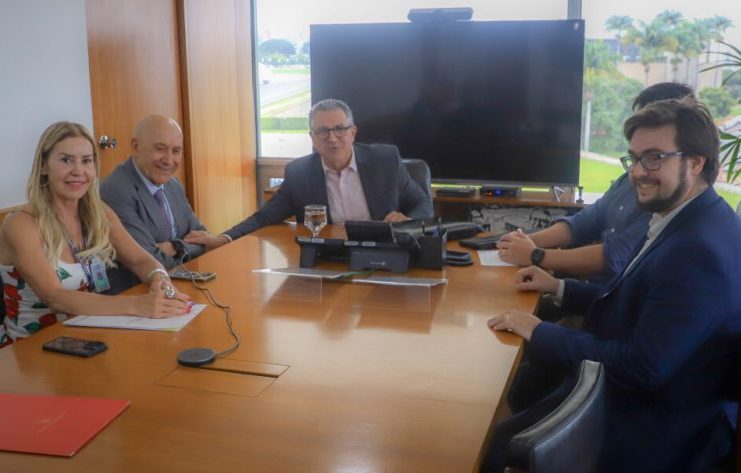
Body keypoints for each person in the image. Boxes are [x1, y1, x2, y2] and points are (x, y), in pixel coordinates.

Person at [482, 97, 741, 472]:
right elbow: (634, 299)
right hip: (642, 394)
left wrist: (540, 331)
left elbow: (642, 368)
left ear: (696, 163)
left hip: (654, 424)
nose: (638, 172)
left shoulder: (697, 251)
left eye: (654, 158)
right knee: (511, 405)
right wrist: (558, 287)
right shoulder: (691, 216)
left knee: (497, 446)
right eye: (634, 159)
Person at [0, 122, 190, 346]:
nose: (78, 171)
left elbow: (139, 259)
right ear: (43, 166)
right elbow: (54, 297)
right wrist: (137, 305)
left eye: (86, 161)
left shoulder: (98, 211)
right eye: (66, 160)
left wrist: (160, 278)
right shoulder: (21, 223)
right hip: (29, 349)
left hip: (85, 338)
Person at [498, 83, 695, 280]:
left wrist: (535, 255)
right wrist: (523, 242)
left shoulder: (668, 202)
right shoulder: (627, 180)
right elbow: (585, 222)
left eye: (655, 156)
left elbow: (616, 256)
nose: (639, 171)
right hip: (584, 287)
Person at [186, 98, 434, 248]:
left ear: (353, 132)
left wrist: (407, 222)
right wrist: (223, 238)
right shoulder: (299, 173)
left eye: (339, 129)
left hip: (384, 251)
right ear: (312, 138)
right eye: (322, 131)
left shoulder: (385, 160)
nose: (332, 138)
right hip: (329, 257)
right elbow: (263, 217)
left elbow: (423, 203)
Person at [100, 115, 226, 293]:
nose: (168, 160)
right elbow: (148, 260)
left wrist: (176, 246)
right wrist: (188, 247)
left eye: (176, 151)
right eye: (160, 149)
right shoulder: (116, 189)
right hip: (137, 293)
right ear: (136, 147)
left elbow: (203, 239)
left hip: (180, 284)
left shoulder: (173, 184)